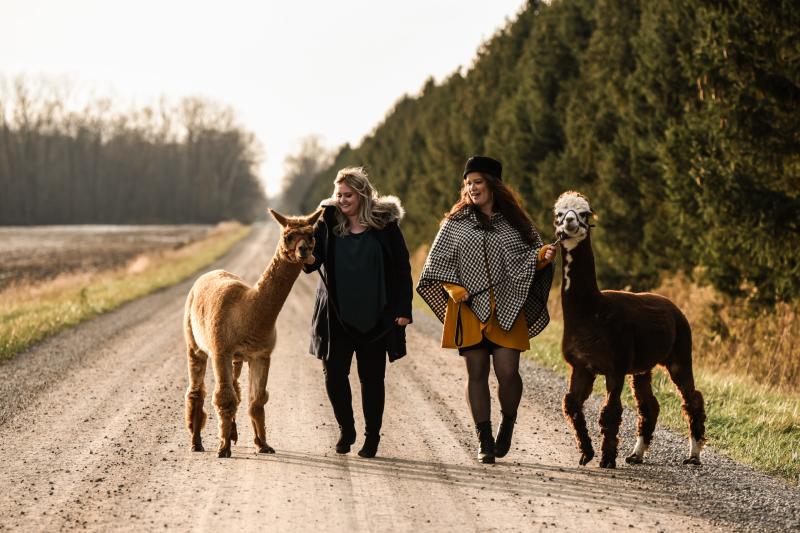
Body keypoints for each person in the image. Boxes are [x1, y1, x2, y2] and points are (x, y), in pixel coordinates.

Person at [416, 156, 555, 464]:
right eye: (468, 183)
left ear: (493, 184)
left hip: (508, 307)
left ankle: (507, 422)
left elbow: (530, 255)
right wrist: (454, 288)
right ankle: (484, 439)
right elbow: (435, 267)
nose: (472, 188)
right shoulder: (456, 223)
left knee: (508, 372)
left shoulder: (516, 221)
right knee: (476, 372)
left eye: (478, 181)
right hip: (468, 310)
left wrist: (542, 257)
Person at [303, 166, 413, 458]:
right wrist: (309, 256)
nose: (342, 200)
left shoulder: (385, 226)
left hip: (376, 315)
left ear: (363, 194)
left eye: (348, 194)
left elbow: (402, 268)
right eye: (338, 194)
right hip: (336, 315)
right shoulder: (327, 222)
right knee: (334, 375)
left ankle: (372, 437)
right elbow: (314, 262)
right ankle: (346, 428)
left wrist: (403, 308)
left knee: (372, 378)